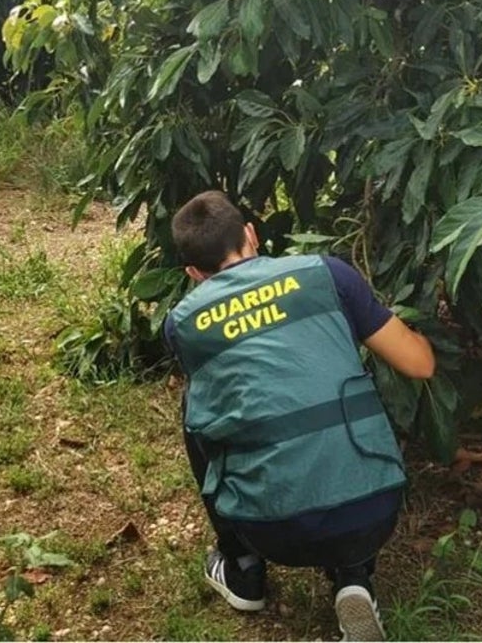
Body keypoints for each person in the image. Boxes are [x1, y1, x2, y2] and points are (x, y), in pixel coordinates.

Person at [163, 190, 436, 641]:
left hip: (270, 529)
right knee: (337, 387)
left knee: (197, 408)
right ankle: (354, 577)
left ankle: (243, 568)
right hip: (375, 511)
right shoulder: (327, 274)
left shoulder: (183, 322)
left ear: (194, 274)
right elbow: (419, 365)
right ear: (251, 234)